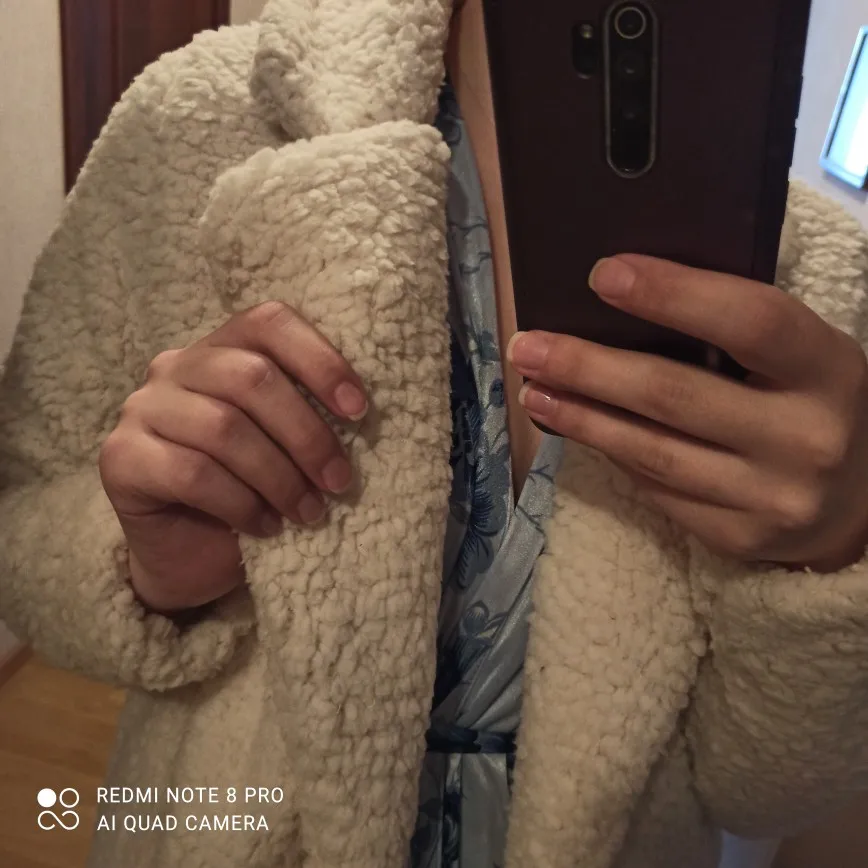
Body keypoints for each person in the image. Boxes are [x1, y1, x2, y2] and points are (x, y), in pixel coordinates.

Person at [1, 1, 868, 866]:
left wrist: (832, 555)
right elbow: (19, 516)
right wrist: (145, 566)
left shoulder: (823, 290)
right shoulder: (199, 114)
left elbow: (761, 792)